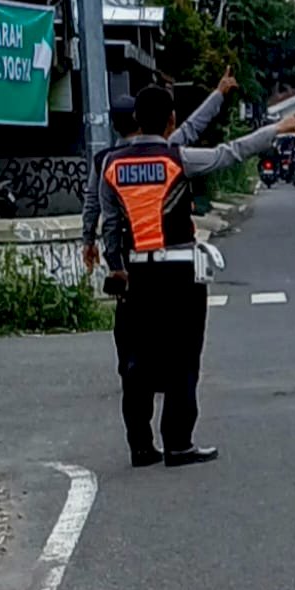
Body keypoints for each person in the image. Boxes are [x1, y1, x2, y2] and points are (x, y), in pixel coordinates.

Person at [100, 83, 295, 468]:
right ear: (170, 120)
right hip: (179, 271)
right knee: (182, 357)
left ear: (136, 120)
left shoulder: (112, 166)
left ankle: (140, 446)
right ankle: (178, 443)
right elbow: (231, 153)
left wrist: (117, 268)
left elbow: (111, 228)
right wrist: (275, 130)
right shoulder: (177, 158)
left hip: (137, 274)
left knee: (136, 363)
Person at [81, 73, 237, 376]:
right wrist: (218, 94)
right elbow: (193, 129)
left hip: (130, 261)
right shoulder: (165, 150)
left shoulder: (106, 160)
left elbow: (94, 206)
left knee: (129, 322)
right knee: (179, 330)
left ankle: (133, 367)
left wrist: (90, 242)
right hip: (170, 261)